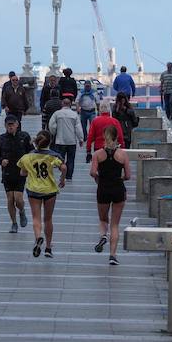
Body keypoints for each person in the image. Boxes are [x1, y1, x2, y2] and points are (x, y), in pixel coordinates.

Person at [17, 131, 66, 259]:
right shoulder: (53, 156)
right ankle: (48, 248)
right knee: (48, 219)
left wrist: (29, 171)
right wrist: (62, 179)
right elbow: (64, 167)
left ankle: (38, 237)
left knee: (36, 217)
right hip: (49, 190)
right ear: (49, 142)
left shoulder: (27, 157)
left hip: (34, 190)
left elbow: (22, 172)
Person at [90, 124, 130, 266]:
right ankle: (113, 255)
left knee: (103, 219)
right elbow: (128, 176)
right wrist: (119, 179)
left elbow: (93, 172)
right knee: (115, 224)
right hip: (118, 189)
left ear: (104, 137)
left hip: (103, 189)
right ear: (116, 137)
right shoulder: (123, 154)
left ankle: (103, 236)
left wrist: (98, 179)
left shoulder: (98, 154)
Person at [0, 115, 32, 233]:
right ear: (5, 125)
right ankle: (14, 223)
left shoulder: (24, 136)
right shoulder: (1, 139)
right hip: (7, 173)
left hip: (20, 172)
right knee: (10, 199)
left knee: (18, 199)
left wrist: (28, 164)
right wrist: (1, 161)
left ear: (17, 124)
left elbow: (31, 151)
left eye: (12, 124)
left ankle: (21, 211)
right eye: (8, 124)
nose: (10, 126)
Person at [48, 97, 84, 180]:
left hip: (60, 140)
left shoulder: (57, 114)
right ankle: (69, 176)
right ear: (70, 104)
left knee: (60, 159)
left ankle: (62, 173)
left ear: (62, 104)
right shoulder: (74, 114)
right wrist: (81, 139)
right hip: (71, 141)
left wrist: (54, 133)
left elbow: (51, 125)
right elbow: (78, 128)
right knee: (71, 159)